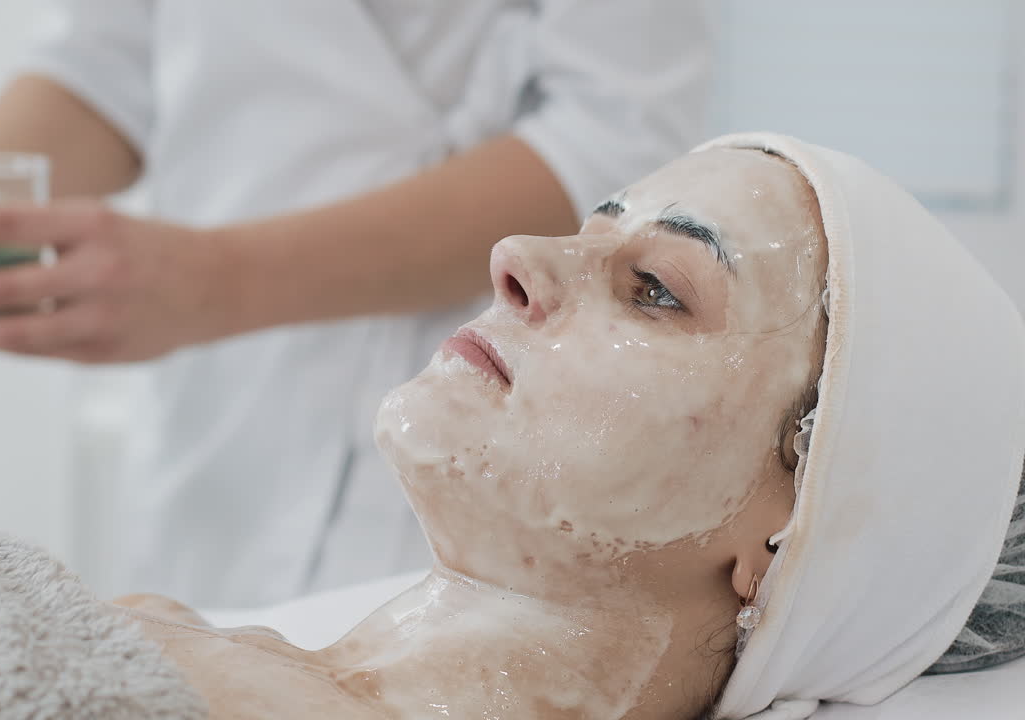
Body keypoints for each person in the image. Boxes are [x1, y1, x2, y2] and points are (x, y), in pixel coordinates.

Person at [0, 1, 716, 607]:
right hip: (218, 424)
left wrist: (212, 282)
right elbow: (106, 60)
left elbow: (610, 143)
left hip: (464, 388)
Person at [109, 134, 1025, 718]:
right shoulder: (171, 641)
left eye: (656, 290)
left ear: (789, 540)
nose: (518, 255)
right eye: (590, 232)